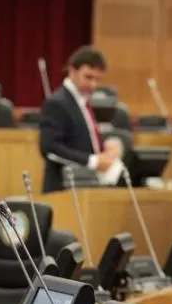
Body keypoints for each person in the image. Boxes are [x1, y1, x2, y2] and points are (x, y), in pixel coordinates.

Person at [39, 45, 122, 193]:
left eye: (98, 79)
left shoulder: (82, 101)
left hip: (85, 185)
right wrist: (93, 161)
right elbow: (49, 147)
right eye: (88, 77)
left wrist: (105, 146)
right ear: (72, 70)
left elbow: (80, 137)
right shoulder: (57, 102)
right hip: (63, 187)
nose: (93, 84)